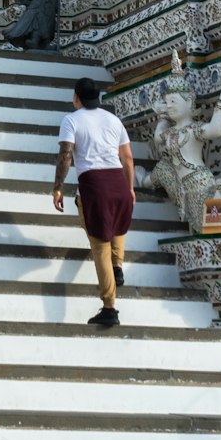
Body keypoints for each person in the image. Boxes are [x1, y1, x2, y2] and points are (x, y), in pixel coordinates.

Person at [53, 76, 134, 328]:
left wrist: (57, 188)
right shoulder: (113, 120)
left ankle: (109, 306)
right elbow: (128, 158)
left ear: (76, 97)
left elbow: (66, 156)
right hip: (117, 181)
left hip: (94, 184)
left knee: (99, 245)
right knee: (117, 225)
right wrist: (129, 188)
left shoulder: (71, 120)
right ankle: (117, 265)